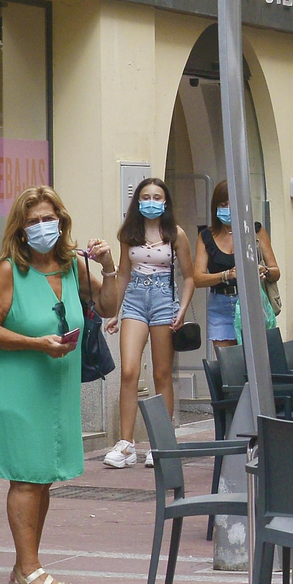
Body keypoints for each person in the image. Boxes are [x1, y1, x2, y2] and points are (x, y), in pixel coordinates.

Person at [0, 185, 121, 584]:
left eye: (48, 218)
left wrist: (109, 266)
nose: (43, 227)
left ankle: (26, 566)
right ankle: (29, 570)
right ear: (20, 229)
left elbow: (108, 307)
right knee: (26, 478)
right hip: (15, 385)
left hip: (55, 389)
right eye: (33, 221)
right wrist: (38, 343)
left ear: (61, 220)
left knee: (43, 480)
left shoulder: (74, 266)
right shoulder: (9, 270)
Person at [102, 178, 195, 469]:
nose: (151, 201)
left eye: (157, 196)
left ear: (165, 201)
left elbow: (190, 277)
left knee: (161, 373)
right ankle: (126, 444)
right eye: (145, 196)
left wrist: (181, 309)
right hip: (134, 300)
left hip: (164, 300)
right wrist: (116, 311)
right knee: (129, 371)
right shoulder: (128, 234)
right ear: (137, 201)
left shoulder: (176, 234)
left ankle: (161, 441)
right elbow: (123, 274)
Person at [193, 181, 280, 349]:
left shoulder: (255, 231)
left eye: (234, 203)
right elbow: (198, 278)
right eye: (224, 204)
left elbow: (275, 271)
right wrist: (226, 275)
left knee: (254, 362)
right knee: (228, 366)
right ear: (216, 207)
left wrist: (265, 271)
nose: (229, 209)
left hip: (251, 301)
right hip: (220, 305)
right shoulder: (206, 236)